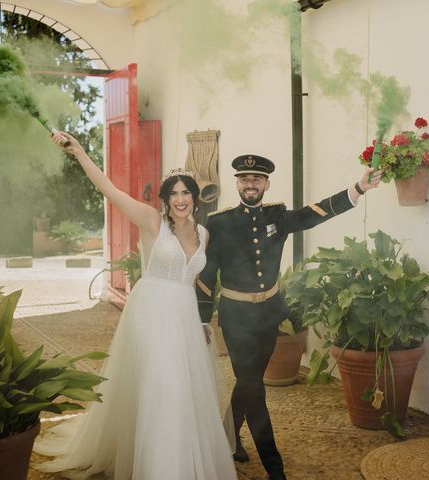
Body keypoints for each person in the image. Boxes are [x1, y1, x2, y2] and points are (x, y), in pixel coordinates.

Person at [33, 131, 237, 480]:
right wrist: (80, 152)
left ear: (195, 196)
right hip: (152, 312)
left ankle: (185, 463)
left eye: (186, 191)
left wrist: (203, 322)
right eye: (173, 193)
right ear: (164, 199)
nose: (180, 199)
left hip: (185, 317)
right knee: (164, 384)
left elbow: (198, 282)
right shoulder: (151, 221)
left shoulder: (203, 234)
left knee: (184, 390)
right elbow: (110, 191)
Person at [195, 154, 382, 480]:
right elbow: (207, 274)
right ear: (237, 183)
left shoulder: (277, 216)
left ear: (266, 183)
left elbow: (313, 214)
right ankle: (274, 467)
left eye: (256, 179)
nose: (250, 184)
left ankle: (228, 438)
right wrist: (201, 319)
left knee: (247, 382)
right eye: (244, 178)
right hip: (236, 317)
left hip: (268, 313)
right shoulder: (219, 222)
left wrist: (358, 188)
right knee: (255, 387)